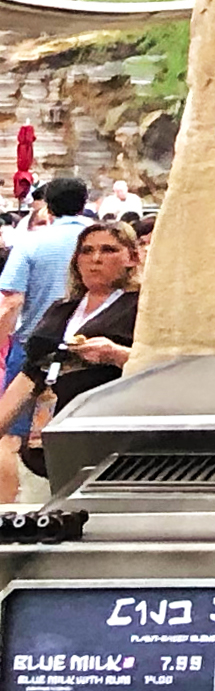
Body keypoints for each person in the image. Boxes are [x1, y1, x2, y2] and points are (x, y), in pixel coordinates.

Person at [0, 216, 137, 439]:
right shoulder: (62, 309)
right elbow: (29, 374)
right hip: (49, 425)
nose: (96, 258)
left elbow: (161, 365)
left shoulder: (139, 306)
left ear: (131, 258)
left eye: (108, 250)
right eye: (86, 250)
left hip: (106, 428)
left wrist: (117, 354)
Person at [0, 178, 89, 499]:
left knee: (13, 435)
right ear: (84, 202)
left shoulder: (32, 242)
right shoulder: (103, 239)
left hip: (34, 344)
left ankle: (10, 508)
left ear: (47, 206)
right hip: (92, 343)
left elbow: (12, 300)